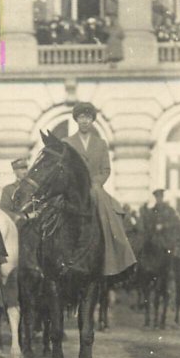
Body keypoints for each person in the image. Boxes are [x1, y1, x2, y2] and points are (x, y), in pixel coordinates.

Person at [62, 102, 136, 277]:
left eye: (88, 117)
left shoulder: (100, 144)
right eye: (81, 117)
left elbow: (106, 170)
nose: (85, 121)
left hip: (95, 187)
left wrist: (95, 182)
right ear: (76, 120)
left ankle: (115, 255)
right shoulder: (67, 142)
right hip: (74, 189)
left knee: (109, 210)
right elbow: (64, 168)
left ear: (92, 120)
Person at [0, 158, 29, 225]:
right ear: (15, 171)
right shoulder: (8, 189)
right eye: (21, 169)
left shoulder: (33, 188)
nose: (25, 172)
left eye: (26, 168)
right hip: (18, 225)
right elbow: (3, 210)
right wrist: (20, 217)